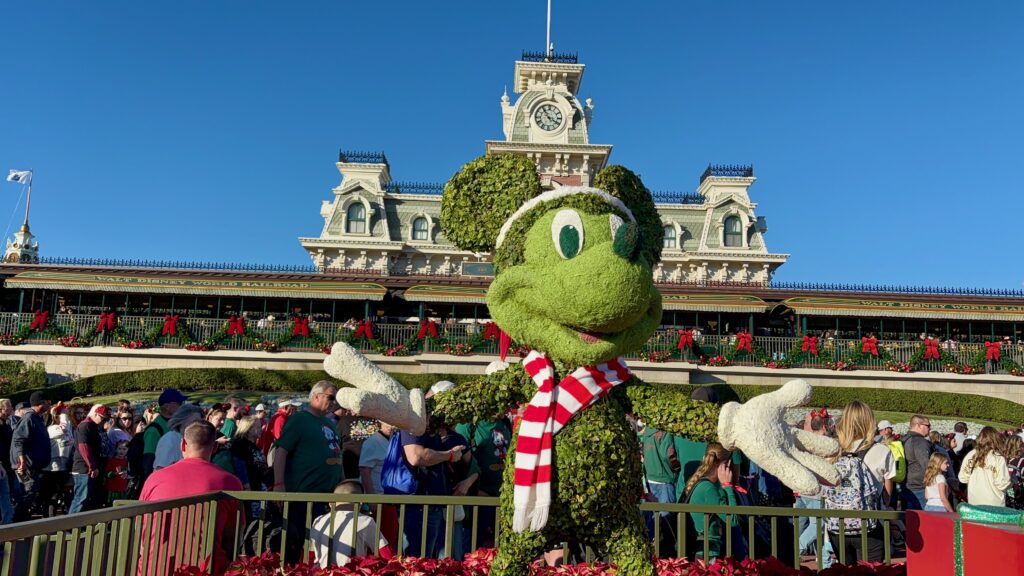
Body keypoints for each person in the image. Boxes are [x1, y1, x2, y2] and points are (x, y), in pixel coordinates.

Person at [140, 421, 243, 575]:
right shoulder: (230, 482)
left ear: (182, 445)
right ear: (214, 447)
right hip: (206, 569)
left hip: (154, 568)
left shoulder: (154, 478)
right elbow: (233, 537)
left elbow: (141, 527)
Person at [272, 381, 343, 562]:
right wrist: (279, 484)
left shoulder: (330, 423)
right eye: (331, 397)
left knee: (321, 551)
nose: (334, 402)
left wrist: (343, 488)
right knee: (298, 549)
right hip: (303, 497)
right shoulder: (299, 419)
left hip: (327, 498)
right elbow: (281, 452)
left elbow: (337, 456)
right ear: (316, 396)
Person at [822, 401, 884, 563]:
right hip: (869, 524)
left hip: (838, 524)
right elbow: (887, 493)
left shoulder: (831, 449)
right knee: (872, 570)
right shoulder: (882, 451)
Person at [308, 480, 393, 568]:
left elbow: (310, 554)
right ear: (360, 503)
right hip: (351, 572)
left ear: (331, 503)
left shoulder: (318, 520)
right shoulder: (366, 521)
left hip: (320, 572)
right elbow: (385, 553)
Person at [681, 442, 740, 561]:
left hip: (704, 549)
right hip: (708, 552)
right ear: (726, 464)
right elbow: (733, 519)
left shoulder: (703, 483)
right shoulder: (709, 489)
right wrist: (728, 486)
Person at [358, 421, 399, 552]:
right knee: (380, 543)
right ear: (380, 422)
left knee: (389, 539)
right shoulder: (373, 442)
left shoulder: (394, 440)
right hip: (379, 500)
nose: (392, 424)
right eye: (387, 421)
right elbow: (364, 471)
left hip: (390, 499)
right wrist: (371, 499)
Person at [11, 391, 52, 521]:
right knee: (28, 492)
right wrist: (22, 461)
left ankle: (20, 519)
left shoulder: (37, 418)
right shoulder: (29, 418)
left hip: (34, 465)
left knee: (32, 492)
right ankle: (15, 522)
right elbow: (19, 440)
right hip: (26, 465)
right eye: (47, 402)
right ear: (40, 403)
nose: (49, 405)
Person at [69, 404, 111, 514]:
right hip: (84, 468)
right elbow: (84, 448)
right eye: (103, 418)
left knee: (88, 499)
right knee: (81, 498)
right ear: (95, 414)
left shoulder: (94, 426)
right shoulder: (85, 426)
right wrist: (92, 466)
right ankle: (68, 526)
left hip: (90, 468)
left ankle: (78, 525)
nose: (104, 421)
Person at [957, 426, 1011, 506]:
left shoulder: (971, 455)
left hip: (975, 502)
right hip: (994, 504)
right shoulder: (998, 458)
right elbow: (1002, 484)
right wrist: (1012, 482)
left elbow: (963, 478)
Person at [142, 389, 187, 481]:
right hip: (162, 480)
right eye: (179, 403)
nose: (183, 406)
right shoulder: (154, 430)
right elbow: (148, 460)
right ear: (168, 407)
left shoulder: (174, 425)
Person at [154, 404, 204, 470]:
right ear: (181, 420)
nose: (198, 425)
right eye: (194, 421)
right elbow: (160, 470)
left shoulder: (192, 440)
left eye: (200, 422)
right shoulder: (170, 440)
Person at [901, 415, 933, 510]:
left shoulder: (904, 439)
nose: (930, 428)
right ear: (918, 425)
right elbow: (926, 464)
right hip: (919, 487)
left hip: (905, 484)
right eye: (928, 425)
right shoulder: (920, 442)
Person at [104, 440, 131, 505]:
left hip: (123, 489)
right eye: (119, 449)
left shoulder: (128, 461)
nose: (121, 451)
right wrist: (115, 474)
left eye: (124, 449)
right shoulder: (112, 461)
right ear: (116, 449)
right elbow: (107, 474)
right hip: (113, 489)